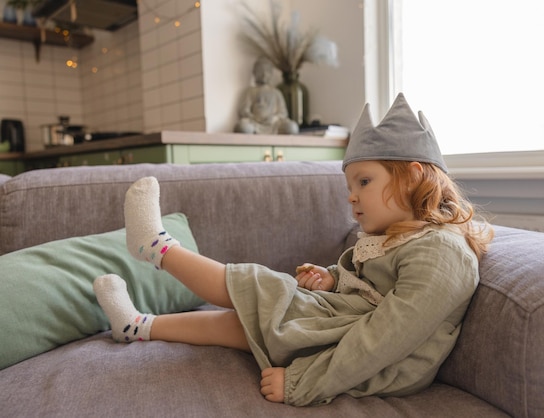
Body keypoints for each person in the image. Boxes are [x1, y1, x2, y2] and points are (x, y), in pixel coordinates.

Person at [93, 93, 493, 406]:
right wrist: (332, 279)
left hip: (379, 363)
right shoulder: (399, 238)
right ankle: (135, 327)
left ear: (414, 176)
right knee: (246, 322)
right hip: (344, 325)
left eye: (364, 182)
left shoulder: (443, 253)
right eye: (350, 187)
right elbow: (369, 289)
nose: (352, 198)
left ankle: (156, 247)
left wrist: (304, 382)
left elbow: (385, 337)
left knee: (260, 288)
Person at [234, 57, 299, 135]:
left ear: (271, 73)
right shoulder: (250, 91)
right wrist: (253, 117)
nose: (264, 74)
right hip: (255, 123)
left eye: (267, 71)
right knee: (243, 126)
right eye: (260, 71)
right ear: (254, 73)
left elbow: (283, 113)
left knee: (292, 127)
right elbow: (244, 110)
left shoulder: (276, 92)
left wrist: (274, 118)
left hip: (274, 124)